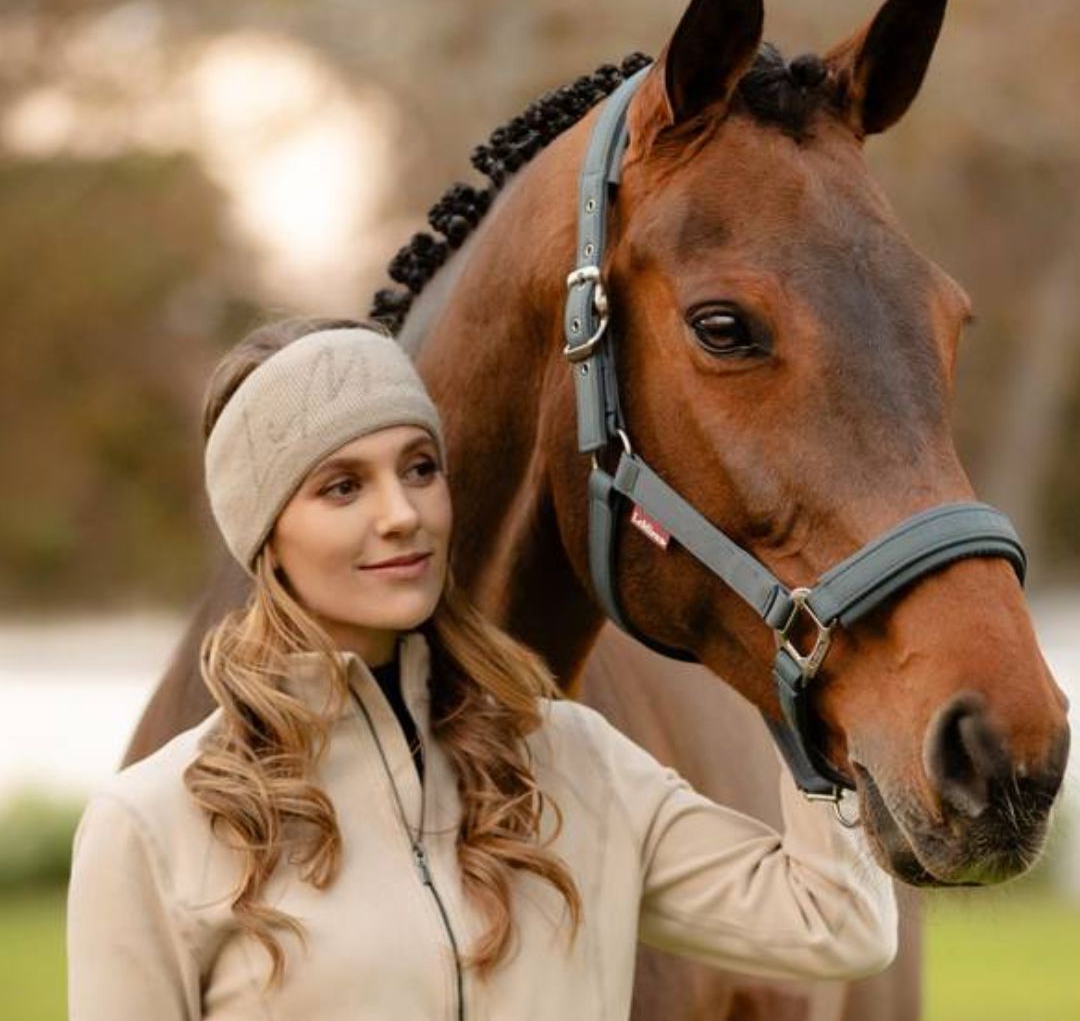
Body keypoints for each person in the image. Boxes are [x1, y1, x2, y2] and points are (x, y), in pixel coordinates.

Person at [67, 316, 897, 1021]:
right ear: (265, 533)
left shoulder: (571, 761)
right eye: (342, 487)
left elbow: (838, 922)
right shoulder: (153, 824)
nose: (402, 515)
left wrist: (792, 678)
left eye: (419, 468)